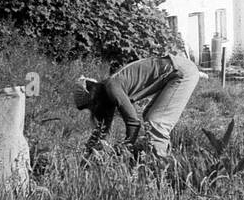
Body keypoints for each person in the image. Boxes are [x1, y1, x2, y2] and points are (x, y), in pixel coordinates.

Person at [74, 50, 205, 161]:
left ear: (93, 98)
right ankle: (161, 159)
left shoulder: (112, 86)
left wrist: (126, 148)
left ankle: (161, 169)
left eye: (89, 106)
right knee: (149, 116)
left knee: (156, 121)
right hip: (176, 70)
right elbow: (102, 130)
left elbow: (133, 122)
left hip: (181, 71)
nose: (91, 110)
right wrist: (87, 155)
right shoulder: (107, 97)